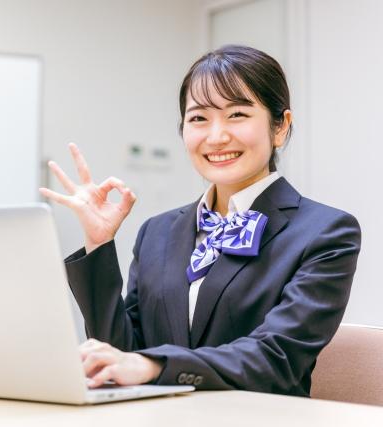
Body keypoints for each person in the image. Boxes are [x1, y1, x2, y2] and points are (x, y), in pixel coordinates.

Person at [38, 45, 361, 397]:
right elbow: (121, 352)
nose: (216, 136)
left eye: (237, 114)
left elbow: (276, 358)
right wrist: (98, 243)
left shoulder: (325, 232)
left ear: (280, 127)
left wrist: (156, 366)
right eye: (198, 118)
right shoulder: (157, 232)